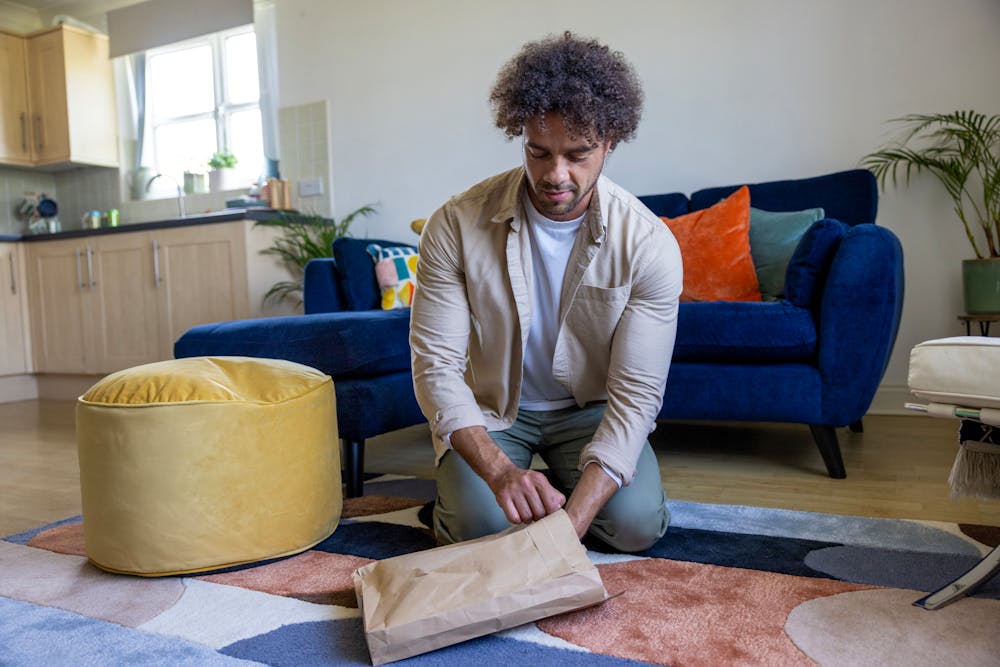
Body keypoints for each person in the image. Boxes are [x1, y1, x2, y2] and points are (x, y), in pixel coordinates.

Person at [410, 32, 682, 552]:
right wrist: (498, 473)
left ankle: (556, 490)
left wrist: (570, 525)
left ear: (609, 143)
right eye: (539, 152)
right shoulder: (455, 224)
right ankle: (478, 497)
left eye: (578, 154)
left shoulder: (649, 244)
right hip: (492, 411)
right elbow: (436, 368)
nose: (556, 174)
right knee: (476, 528)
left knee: (635, 526)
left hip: (590, 411)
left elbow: (637, 396)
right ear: (522, 136)